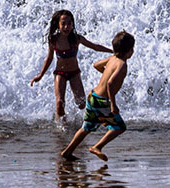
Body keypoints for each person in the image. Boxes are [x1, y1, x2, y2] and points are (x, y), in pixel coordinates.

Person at [62, 31, 135, 161]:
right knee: (119, 127)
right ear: (129, 51)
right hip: (102, 101)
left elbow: (96, 65)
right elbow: (111, 84)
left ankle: (67, 152)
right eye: (132, 49)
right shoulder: (122, 65)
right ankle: (97, 147)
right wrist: (113, 104)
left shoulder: (112, 59)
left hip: (93, 96)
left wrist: (106, 72)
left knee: (86, 127)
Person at [31, 9, 112, 120]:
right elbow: (49, 58)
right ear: (58, 25)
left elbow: (95, 46)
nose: (66, 27)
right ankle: (61, 125)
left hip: (74, 73)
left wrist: (112, 51)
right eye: (63, 24)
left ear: (72, 25)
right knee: (59, 102)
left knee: (82, 103)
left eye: (69, 24)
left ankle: (76, 116)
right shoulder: (53, 40)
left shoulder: (76, 39)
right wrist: (40, 75)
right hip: (60, 73)